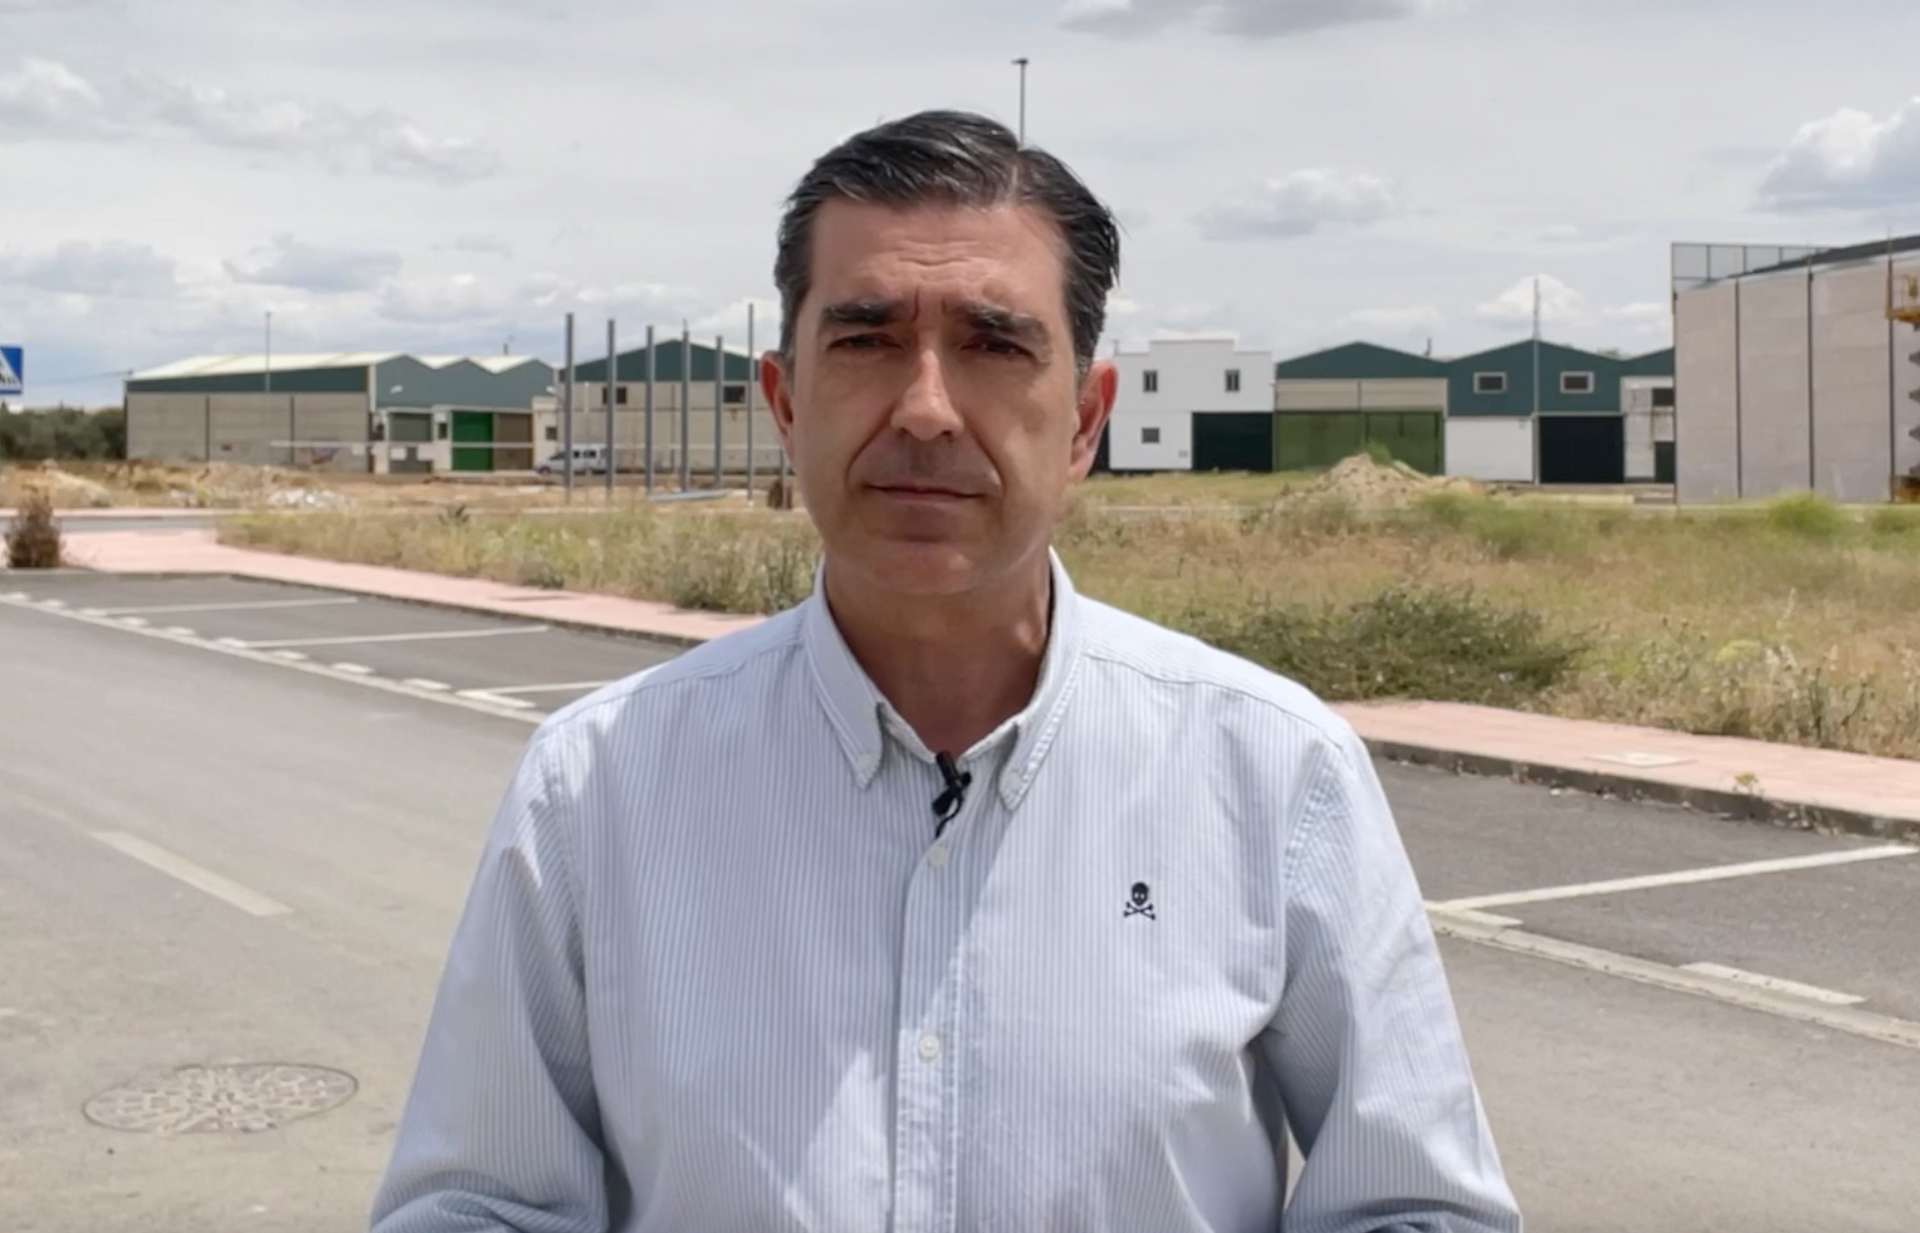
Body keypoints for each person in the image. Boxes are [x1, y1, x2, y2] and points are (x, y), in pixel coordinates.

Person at [368, 109, 1522, 1233]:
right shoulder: (599, 786)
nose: (925, 409)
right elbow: (478, 1203)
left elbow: (1416, 1205)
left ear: (1086, 421)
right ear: (784, 404)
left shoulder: (1273, 772)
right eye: (866, 340)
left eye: (994, 344)